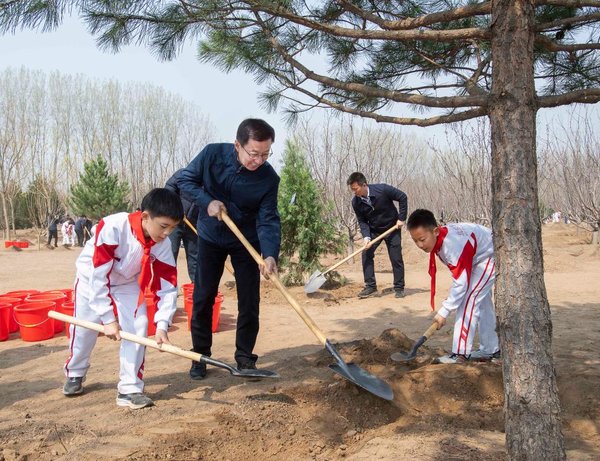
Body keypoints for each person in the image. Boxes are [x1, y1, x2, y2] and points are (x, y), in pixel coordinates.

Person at [62, 188, 183, 409]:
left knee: (139, 326)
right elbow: (99, 275)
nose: (167, 233)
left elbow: (167, 287)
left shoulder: (162, 245)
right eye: (163, 226)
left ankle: (130, 389)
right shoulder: (114, 227)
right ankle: (75, 372)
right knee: (85, 328)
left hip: (127, 282)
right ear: (146, 216)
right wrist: (108, 319)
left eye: (172, 228)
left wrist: (162, 325)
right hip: (92, 278)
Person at [179, 118, 280, 379]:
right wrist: (206, 201)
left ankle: (245, 358)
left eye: (266, 154)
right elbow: (185, 181)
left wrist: (269, 254)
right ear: (238, 145)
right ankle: (200, 355)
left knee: (249, 300)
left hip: (245, 242)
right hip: (211, 237)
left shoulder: (269, 178)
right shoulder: (212, 154)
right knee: (203, 296)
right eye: (254, 153)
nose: (259, 160)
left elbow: (268, 218)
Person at [406, 209, 500, 364]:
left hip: (489, 254)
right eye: (415, 241)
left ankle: (460, 354)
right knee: (482, 302)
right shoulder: (441, 240)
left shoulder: (452, 246)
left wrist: (444, 311)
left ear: (435, 231)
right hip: (478, 255)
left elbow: (461, 284)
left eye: (422, 239)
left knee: (469, 299)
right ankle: (491, 350)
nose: (420, 245)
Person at [347, 172, 408, 299]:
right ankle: (370, 286)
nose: (354, 192)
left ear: (364, 185)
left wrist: (401, 218)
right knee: (366, 253)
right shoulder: (356, 202)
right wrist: (366, 237)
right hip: (375, 230)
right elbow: (362, 221)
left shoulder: (383, 189)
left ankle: (399, 287)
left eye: (355, 189)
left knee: (395, 257)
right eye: (352, 190)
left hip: (392, 228)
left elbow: (403, 197)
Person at [164, 169, 199, 281]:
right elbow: (169, 189)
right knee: (170, 252)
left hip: (193, 223)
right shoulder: (184, 174)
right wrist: (176, 207)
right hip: (175, 222)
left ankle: (196, 284)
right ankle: (167, 283)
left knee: (195, 255)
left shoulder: (209, 182)